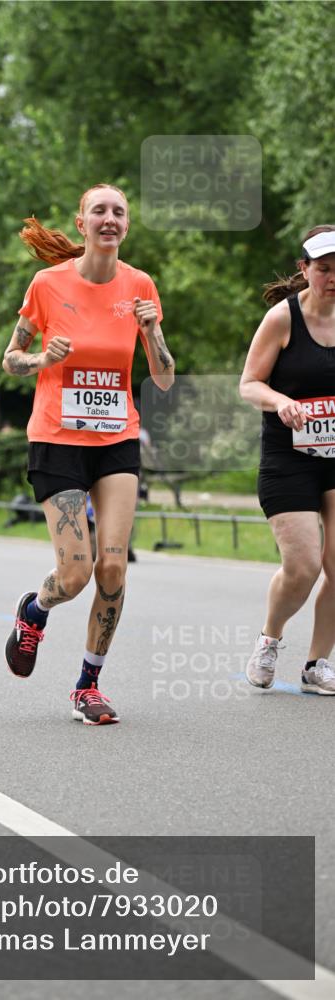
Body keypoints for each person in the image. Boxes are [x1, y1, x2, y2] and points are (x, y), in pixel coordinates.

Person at [2, 183, 175, 724]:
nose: (109, 218)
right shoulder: (48, 285)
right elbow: (10, 358)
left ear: (126, 225)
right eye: (98, 210)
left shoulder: (140, 286)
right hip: (57, 439)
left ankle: (87, 685)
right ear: (81, 224)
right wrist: (38, 361)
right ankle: (35, 609)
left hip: (116, 438)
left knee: (114, 567)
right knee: (74, 575)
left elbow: (165, 380)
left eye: (118, 212)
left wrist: (151, 333)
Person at [240, 225, 335, 695]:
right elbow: (248, 384)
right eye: (324, 269)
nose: (333, 277)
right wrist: (279, 401)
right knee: (303, 566)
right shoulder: (283, 318)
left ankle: (317, 663)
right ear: (305, 270)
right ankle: (270, 638)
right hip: (289, 457)